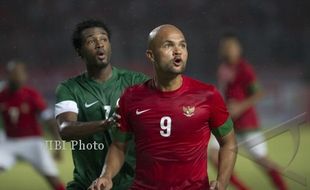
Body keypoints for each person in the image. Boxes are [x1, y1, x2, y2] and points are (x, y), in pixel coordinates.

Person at [90, 24, 237, 190]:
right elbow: (118, 145)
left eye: (182, 45)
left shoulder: (208, 95)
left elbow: (229, 142)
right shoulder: (130, 97)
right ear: (151, 55)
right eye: (168, 45)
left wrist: (222, 181)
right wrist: (106, 175)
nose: (177, 50)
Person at [55, 19, 148, 190]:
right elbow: (65, 129)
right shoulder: (69, 88)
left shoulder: (136, 81)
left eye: (104, 39)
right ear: (79, 51)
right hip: (87, 185)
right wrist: (105, 124)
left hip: (132, 184)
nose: (99, 44)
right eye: (91, 41)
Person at [210, 33, 288, 190]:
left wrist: (240, 106)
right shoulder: (223, 68)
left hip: (247, 125)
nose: (228, 50)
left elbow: (259, 93)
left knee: (262, 161)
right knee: (211, 153)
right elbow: (224, 92)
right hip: (229, 124)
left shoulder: (245, 69)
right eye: (226, 47)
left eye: (232, 47)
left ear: (238, 49)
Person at [0, 60, 65, 190]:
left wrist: (58, 146)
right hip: (9, 141)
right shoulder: (2, 94)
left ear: (24, 75)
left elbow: (50, 122)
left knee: (52, 178)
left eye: (19, 73)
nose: (16, 77)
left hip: (33, 141)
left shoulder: (31, 95)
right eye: (13, 74)